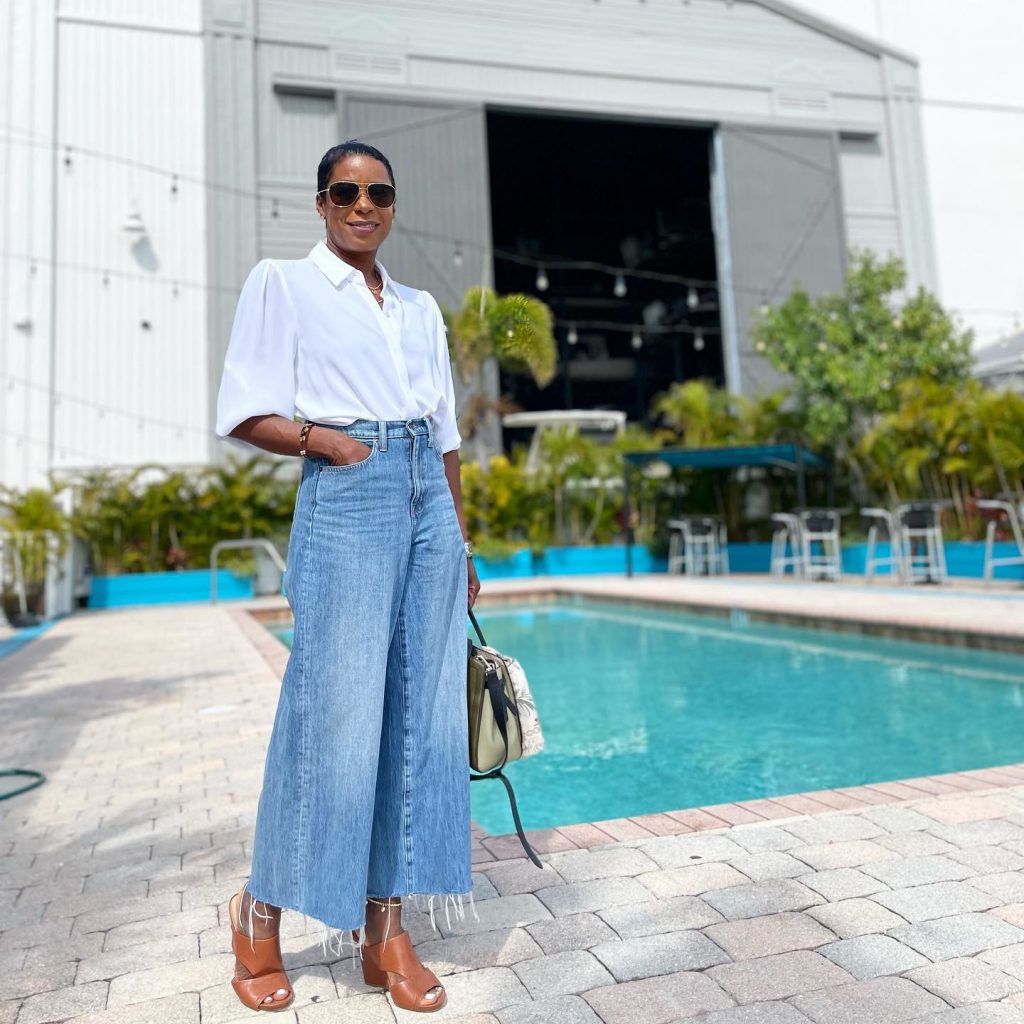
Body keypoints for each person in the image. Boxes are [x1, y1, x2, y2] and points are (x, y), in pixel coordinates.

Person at [215, 139, 481, 1014]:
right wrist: (325, 442)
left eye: (379, 193)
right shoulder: (283, 285)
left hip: (426, 504)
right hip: (350, 486)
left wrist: (459, 540)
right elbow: (245, 410)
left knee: (422, 717)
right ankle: (259, 916)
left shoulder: (418, 306)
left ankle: (385, 929)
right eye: (346, 191)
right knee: (332, 715)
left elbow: (444, 435)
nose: (363, 205)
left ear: (393, 205)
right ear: (321, 202)